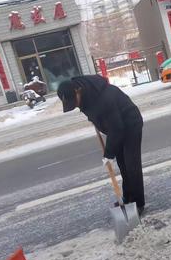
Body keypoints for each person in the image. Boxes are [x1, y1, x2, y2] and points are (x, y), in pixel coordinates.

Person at [57, 75, 145, 215]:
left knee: (131, 164)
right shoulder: (86, 96)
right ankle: (128, 198)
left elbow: (117, 128)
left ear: (77, 90)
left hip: (130, 124)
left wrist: (109, 153)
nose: (76, 105)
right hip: (115, 128)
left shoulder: (104, 97)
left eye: (75, 101)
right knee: (123, 165)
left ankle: (138, 203)